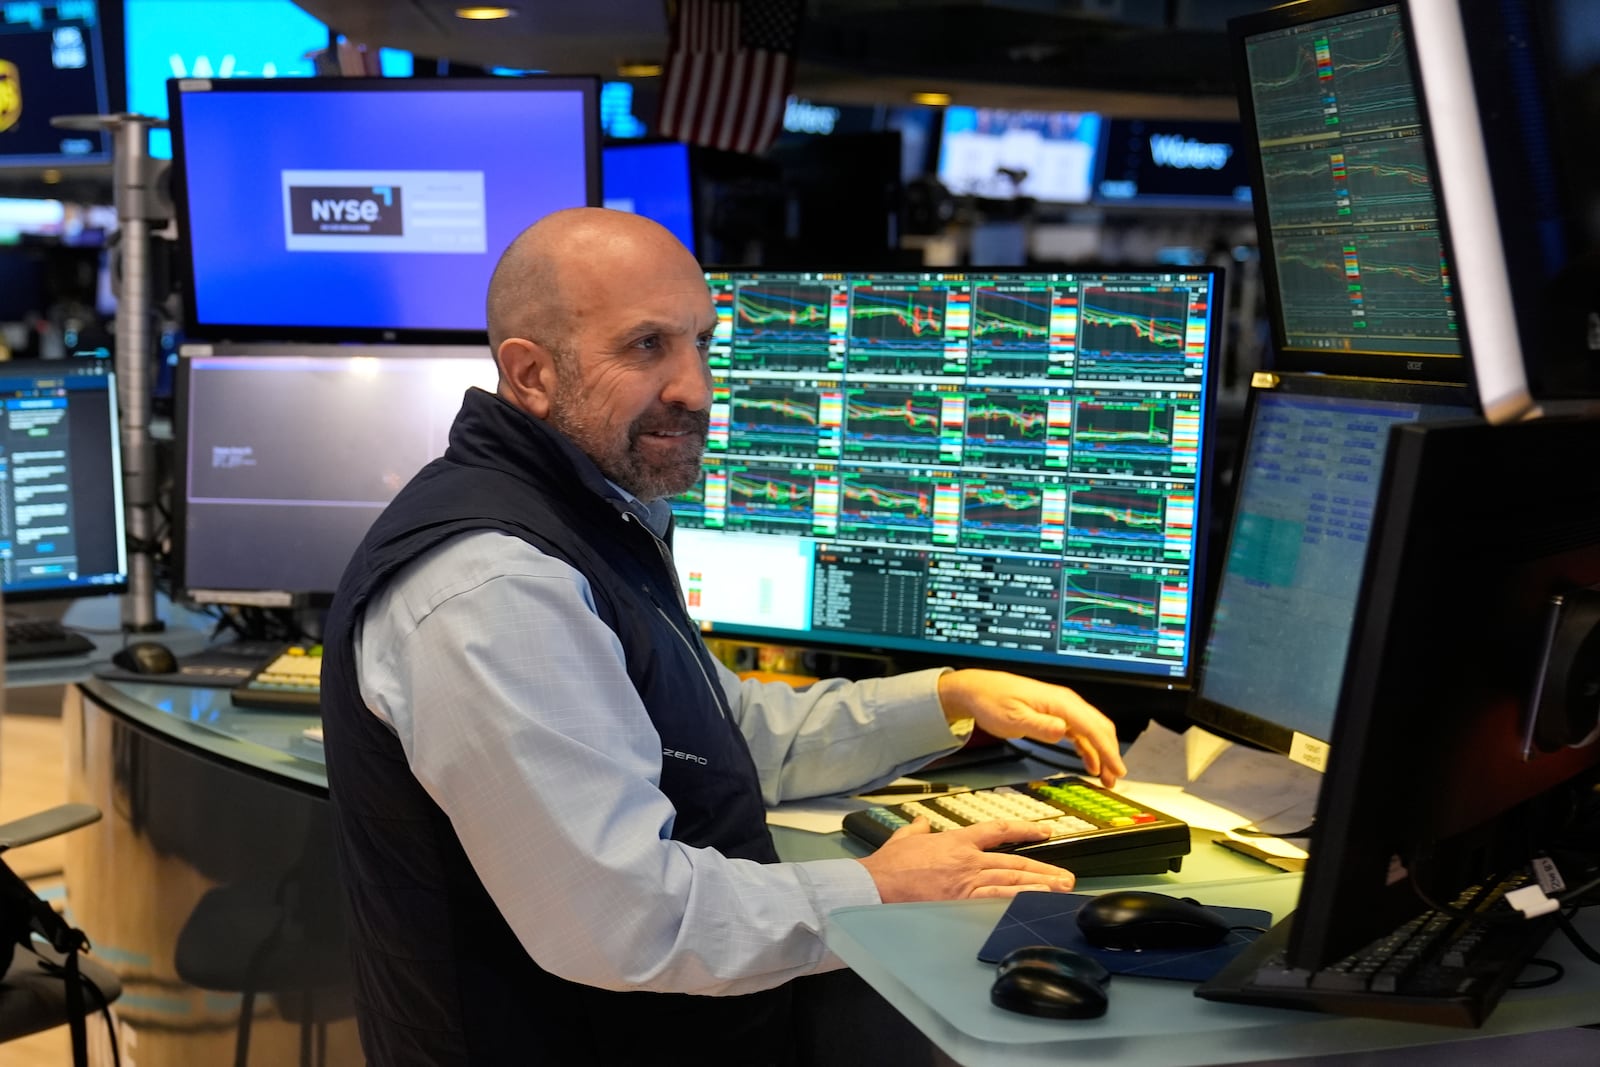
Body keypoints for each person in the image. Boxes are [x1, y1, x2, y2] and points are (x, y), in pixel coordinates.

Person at [320, 207, 1129, 1066]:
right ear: (531, 374)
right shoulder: (499, 586)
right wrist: (878, 886)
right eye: (645, 347)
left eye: (701, 341)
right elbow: (626, 924)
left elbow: (717, 743)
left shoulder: (588, 516)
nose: (697, 388)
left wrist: (947, 699)